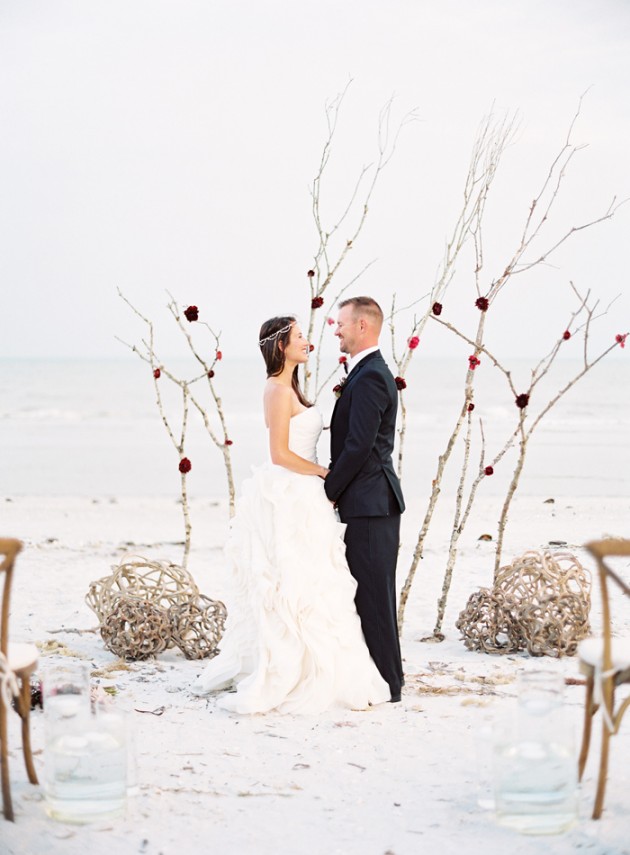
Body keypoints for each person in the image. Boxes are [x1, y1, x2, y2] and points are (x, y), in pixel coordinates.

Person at [190, 315, 390, 713]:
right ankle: (293, 670)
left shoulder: (290, 387)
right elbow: (279, 454)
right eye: (299, 336)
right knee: (296, 583)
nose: (306, 342)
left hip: (305, 494)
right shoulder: (277, 391)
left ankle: (322, 669)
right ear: (281, 346)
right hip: (292, 493)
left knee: (317, 583)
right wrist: (324, 473)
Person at [324, 297, 405, 703]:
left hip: (372, 504)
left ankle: (391, 685)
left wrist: (327, 492)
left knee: (374, 598)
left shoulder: (371, 376)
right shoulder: (363, 372)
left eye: (340, 323)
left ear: (362, 326)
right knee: (369, 596)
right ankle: (383, 680)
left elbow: (358, 447)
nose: (335, 330)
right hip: (367, 502)